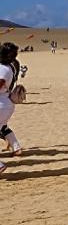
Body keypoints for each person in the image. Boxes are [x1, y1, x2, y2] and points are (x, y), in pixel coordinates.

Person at [0, 42, 23, 173]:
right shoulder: (8, 66)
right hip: (5, 104)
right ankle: (16, 147)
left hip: (2, 103)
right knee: (3, 128)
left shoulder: (4, 68)